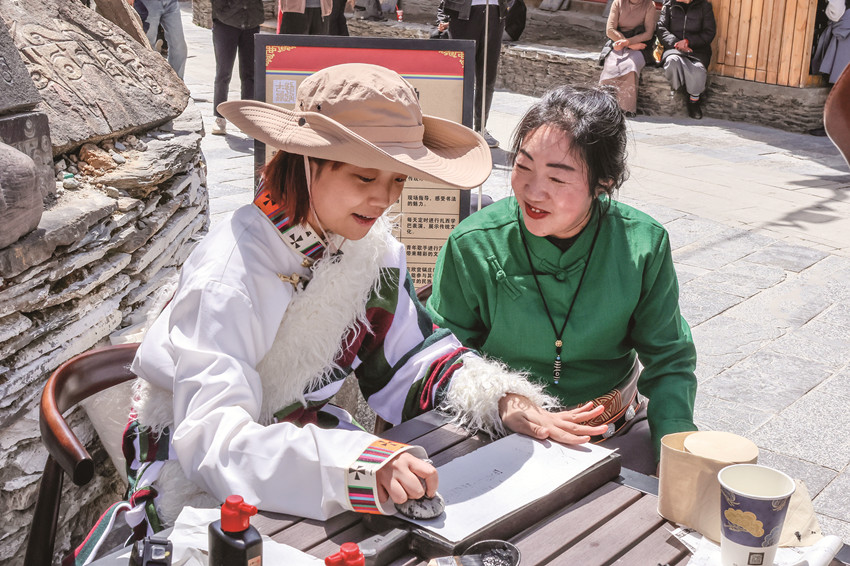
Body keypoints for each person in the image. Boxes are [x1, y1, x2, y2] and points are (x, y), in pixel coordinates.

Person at [74, 64, 610, 565]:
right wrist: (355, 465)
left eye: (397, 180)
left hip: (306, 455)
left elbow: (411, 358)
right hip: (203, 480)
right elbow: (212, 440)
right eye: (364, 178)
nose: (383, 199)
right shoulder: (229, 273)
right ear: (307, 161)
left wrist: (500, 399)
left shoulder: (369, 251)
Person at [427, 85, 698, 476]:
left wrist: (674, 447)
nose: (533, 192)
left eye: (557, 178)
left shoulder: (642, 245)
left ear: (603, 182)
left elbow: (670, 359)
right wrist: (503, 400)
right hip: (497, 431)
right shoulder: (474, 243)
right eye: (523, 166)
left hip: (614, 432)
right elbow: (442, 354)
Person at [436, 0, 506, 147]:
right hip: (463, 15)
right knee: (460, 74)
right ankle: (456, 127)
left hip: (494, 14)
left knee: (487, 75)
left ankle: (481, 128)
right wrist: (443, 17)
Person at [210, 0, 264, 136]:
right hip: (225, 22)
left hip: (251, 20)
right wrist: (224, 9)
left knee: (249, 74)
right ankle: (219, 117)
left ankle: (247, 118)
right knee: (223, 73)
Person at [655, 0, 716, 119]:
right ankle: (680, 90)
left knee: (698, 70)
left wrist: (689, 42)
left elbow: (709, 32)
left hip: (697, 50)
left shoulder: (704, 6)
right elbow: (661, 28)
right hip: (674, 48)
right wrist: (676, 43)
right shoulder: (669, 4)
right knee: (672, 61)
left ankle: (694, 100)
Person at [598, 0, 657, 116]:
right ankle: (603, 104)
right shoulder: (618, 2)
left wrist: (629, 42)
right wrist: (626, 44)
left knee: (631, 65)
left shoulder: (649, 4)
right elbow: (610, 30)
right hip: (618, 42)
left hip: (640, 45)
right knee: (612, 64)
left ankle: (626, 108)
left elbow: (648, 33)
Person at [136, 0, 188, 79]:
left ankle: (176, 82)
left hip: (171, 3)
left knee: (179, 46)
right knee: (147, 45)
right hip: (147, 4)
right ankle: (148, 80)